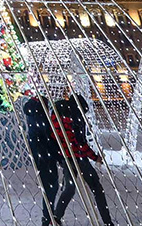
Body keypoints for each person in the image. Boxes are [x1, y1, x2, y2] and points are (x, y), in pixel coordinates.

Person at [51, 94, 114, 226]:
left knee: (69, 188)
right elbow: (79, 143)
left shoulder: (59, 116)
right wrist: (94, 157)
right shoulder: (74, 117)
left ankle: (56, 218)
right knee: (96, 188)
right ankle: (107, 222)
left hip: (66, 158)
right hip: (78, 158)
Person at [22, 92, 63, 225]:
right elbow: (48, 136)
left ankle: (49, 217)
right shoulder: (39, 115)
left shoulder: (34, 114)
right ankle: (48, 218)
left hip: (43, 154)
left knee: (51, 186)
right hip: (44, 154)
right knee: (51, 186)